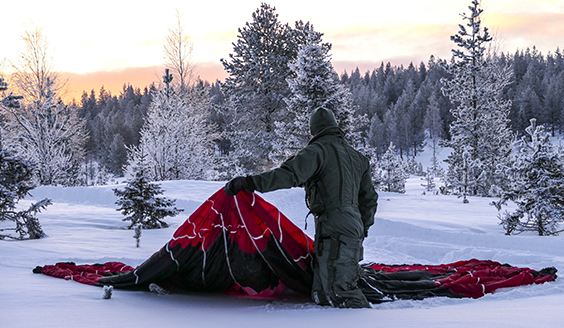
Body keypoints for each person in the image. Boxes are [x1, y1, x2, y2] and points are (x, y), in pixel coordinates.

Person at [224, 106, 378, 308]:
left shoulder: (317, 152)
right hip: (347, 228)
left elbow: (288, 175)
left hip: (334, 228)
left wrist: (250, 183)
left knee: (341, 293)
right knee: (322, 293)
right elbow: (369, 199)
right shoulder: (357, 158)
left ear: (314, 131)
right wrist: (362, 227)